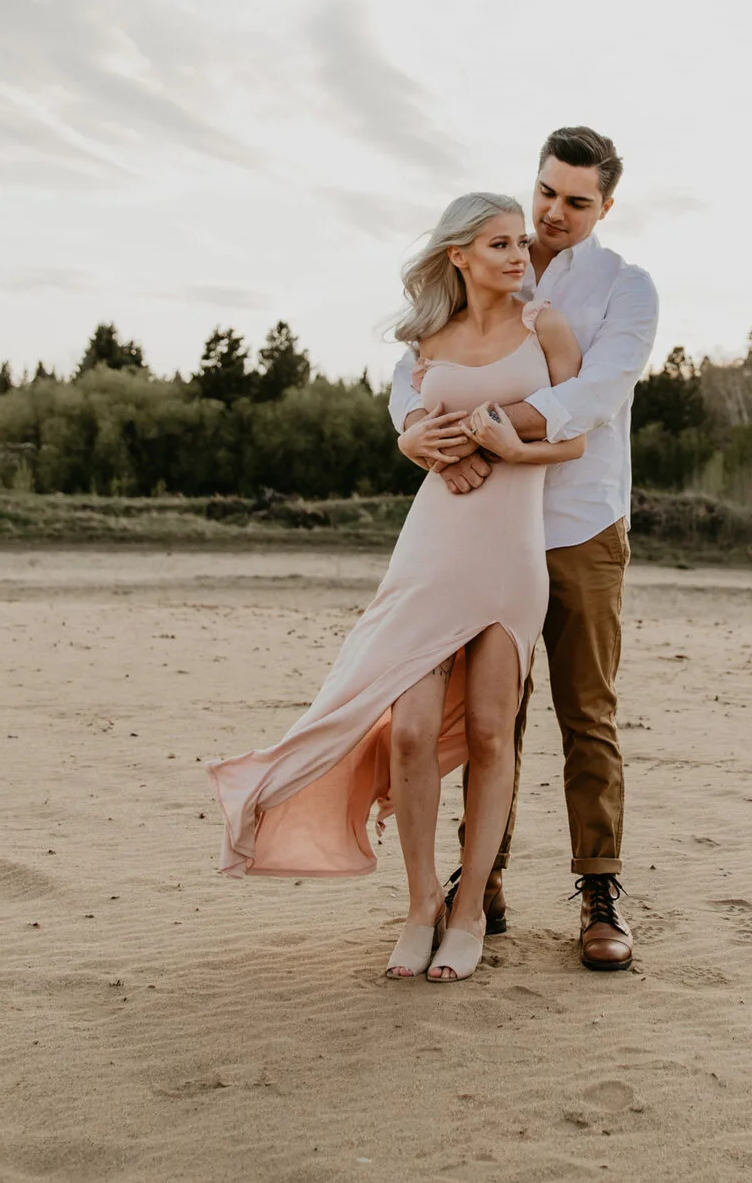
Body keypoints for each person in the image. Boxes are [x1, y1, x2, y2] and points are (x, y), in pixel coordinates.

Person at [207, 192, 586, 982]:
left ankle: (470, 908)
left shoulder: (545, 327)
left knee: (492, 733)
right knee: (410, 730)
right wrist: (420, 439)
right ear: (459, 255)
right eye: (500, 244)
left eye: (521, 243)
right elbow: (409, 421)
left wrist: (510, 450)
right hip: (434, 549)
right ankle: (421, 905)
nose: (519, 256)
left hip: (509, 551)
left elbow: (578, 436)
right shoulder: (425, 339)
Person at [390, 126, 658, 972]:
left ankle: (599, 890)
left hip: (578, 521)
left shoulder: (626, 287)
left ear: (606, 206)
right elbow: (417, 365)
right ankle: (484, 880)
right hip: (481, 522)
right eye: (547, 191)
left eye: (577, 201)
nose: (553, 213)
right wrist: (414, 431)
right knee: (488, 714)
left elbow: (599, 393)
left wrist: (484, 428)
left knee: (586, 709)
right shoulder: (495, 255)